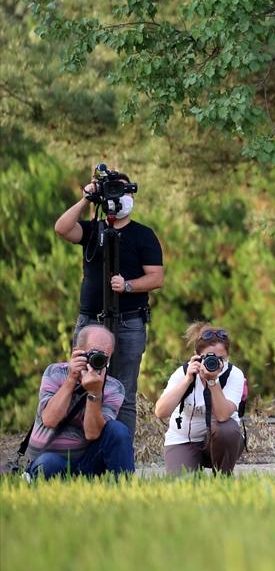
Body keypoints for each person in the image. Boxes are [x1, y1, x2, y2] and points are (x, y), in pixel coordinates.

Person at [54, 167, 164, 437]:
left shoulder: (144, 235)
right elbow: (62, 228)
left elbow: (156, 277)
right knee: (82, 383)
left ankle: (121, 455)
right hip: (90, 320)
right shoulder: (95, 230)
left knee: (124, 389)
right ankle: (80, 450)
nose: (118, 196)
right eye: (112, 189)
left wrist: (127, 285)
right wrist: (86, 199)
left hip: (129, 320)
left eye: (123, 190)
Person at [25, 325, 134, 479]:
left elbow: (92, 433)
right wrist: (71, 379)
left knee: (118, 430)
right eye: (93, 353)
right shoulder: (55, 372)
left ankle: (126, 489)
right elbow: (49, 419)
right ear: (76, 352)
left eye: (104, 357)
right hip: (47, 459)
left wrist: (95, 392)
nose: (97, 360)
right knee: (50, 463)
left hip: (87, 463)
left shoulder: (113, 387)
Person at [154, 324, 246, 475]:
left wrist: (213, 381)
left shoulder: (234, 375)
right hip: (184, 440)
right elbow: (160, 412)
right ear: (196, 356)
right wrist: (187, 380)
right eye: (209, 357)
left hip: (219, 441)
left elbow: (223, 415)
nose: (215, 363)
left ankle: (223, 478)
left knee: (227, 429)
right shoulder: (183, 373)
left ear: (227, 357)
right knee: (184, 487)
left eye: (221, 358)